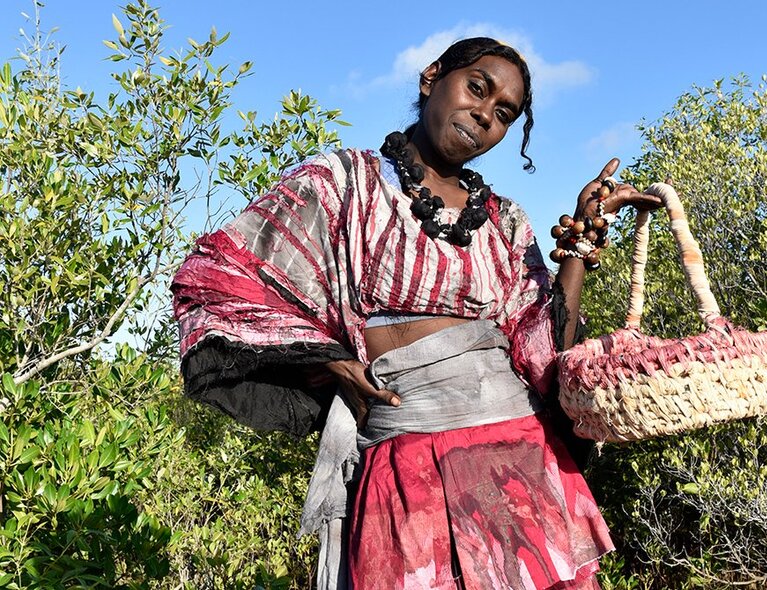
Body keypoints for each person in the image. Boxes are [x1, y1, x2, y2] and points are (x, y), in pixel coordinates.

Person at [172, 37, 660, 590]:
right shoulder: (343, 184)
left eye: (504, 114)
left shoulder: (505, 224)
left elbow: (547, 348)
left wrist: (579, 238)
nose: (484, 114)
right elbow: (218, 274)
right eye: (477, 88)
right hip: (406, 459)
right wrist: (330, 361)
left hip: (518, 458)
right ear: (432, 77)